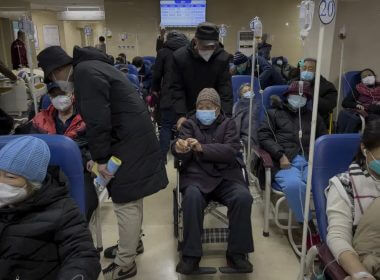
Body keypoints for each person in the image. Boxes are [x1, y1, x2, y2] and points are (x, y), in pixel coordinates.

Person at [37, 46, 168, 280]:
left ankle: (125, 263)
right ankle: (132, 243)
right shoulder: (92, 67)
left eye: (51, 77)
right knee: (131, 198)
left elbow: (98, 120)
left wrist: (100, 159)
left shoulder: (85, 74)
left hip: (128, 141)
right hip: (132, 137)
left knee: (125, 201)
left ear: (57, 70)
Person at [172, 88, 254, 274]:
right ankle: (191, 255)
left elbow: (230, 151)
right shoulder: (189, 124)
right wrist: (179, 148)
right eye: (200, 107)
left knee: (243, 197)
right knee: (191, 198)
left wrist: (202, 148)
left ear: (217, 108)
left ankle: (237, 254)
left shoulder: (229, 124)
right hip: (196, 177)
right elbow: (178, 147)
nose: (204, 110)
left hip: (227, 178)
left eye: (208, 107)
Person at [0, 136, 101, 279]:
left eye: (10, 177)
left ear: (32, 182)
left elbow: (82, 255)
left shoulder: (63, 210)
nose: (1, 182)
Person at [258, 81, 327, 225]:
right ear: (287, 95)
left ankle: (326, 224)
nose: (298, 98)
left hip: (310, 160)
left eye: (302, 96)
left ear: (307, 99)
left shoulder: (314, 117)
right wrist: (280, 155)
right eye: (295, 94)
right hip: (284, 161)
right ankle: (307, 225)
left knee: (322, 183)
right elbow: (264, 136)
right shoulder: (274, 113)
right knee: (295, 185)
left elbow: (323, 139)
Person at [29, 82, 98, 222]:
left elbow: (98, 141)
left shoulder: (86, 117)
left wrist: (93, 158)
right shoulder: (40, 120)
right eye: (54, 95)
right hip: (49, 171)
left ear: (72, 94)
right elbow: (32, 146)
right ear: (49, 97)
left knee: (84, 203)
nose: (59, 98)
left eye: (63, 94)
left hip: (79, 168)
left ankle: (77, 230)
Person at [326, 117, 380, 279]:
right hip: (368, 258)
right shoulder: (345, 184)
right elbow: (338, 237)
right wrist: (361, 274)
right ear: (364, 149)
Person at [170, 22, 233, 129]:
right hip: (188, 110)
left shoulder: (222, 58)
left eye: (212, 47)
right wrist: (181, 115)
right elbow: (177, 89)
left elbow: (225, 90)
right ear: (195, 41)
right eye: (204, 46)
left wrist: (226, 117)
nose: (208, 50)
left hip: (213, 112)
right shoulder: (180, 58)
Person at [151, 30, 189, 162]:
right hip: (185, 94)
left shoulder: (163, 52)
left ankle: (162, 158)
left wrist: (155, 89)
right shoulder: (188, 51)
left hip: (168, 92)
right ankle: (182, 155)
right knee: (184, 125)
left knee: (166, 125)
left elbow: (157, 74)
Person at [337, 69, 380, 133]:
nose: (368, 77)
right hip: (366, 111)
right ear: (362, 80)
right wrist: (356, 105)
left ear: (374, 76)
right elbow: (345, 103)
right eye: (365, 76)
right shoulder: (358, 89)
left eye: (370, 75)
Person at [297, 58, 338, 126]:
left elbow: (329, 106)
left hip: (316, 121)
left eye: (310, 69)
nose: (306, 71)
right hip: (295, 118)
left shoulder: (328, 86)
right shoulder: (295, 82)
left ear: (317, 71)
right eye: (304, 68)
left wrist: (310, 94)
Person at [232, 83, 258, 147]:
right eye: (245, 91)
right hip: (246, 137)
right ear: (241, 95)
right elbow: (236, 123)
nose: (248, 92)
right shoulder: (238, 105)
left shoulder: (260, 102)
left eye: (249, 90)